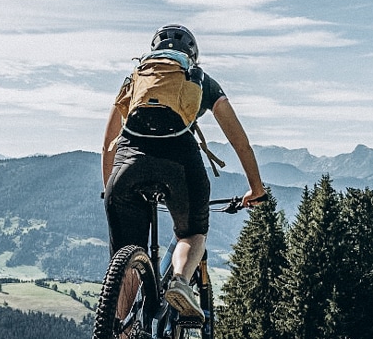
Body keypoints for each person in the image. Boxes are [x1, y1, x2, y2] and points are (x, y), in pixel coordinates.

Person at [101, 24, 265, 317]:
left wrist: (111, 188)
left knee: (126, 269)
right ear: (193, 55)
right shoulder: (200, 80)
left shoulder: (135, 79)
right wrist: (256, 188)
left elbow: (107, 146)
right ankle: (179, 281)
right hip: (179, 162)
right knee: (192, 234)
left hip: (126, 166)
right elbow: (240, 142)